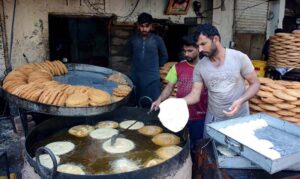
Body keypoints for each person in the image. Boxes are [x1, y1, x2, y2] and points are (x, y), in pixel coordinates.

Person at [183, 23, 260, 128]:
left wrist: (241, 100)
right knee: (212, 144)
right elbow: (195, 95)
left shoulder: (239, 58)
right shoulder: (200, 67)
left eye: (203, 44)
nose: (200, 49)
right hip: (214, 119)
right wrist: (178, 102)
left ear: (215, 39)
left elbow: (255, 84)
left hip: (240, 118)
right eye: (198, 45)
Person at [151, 35, 208, 150]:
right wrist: (159, 100)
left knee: (197, 147)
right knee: (179, 145)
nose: (186, 54)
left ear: (198, 49)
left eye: (190, 51)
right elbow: (169, 87)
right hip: (179, 115)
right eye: (184, 51)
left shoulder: (207, 68)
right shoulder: (178, 67)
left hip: (199, 116)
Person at [128, 12, 168, 105]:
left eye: (147, 26)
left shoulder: (157, 40)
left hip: (152, 78)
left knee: (152, 103)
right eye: (142, 26)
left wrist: (154, 67)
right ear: (138, 26)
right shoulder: (133, 40)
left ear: (151, 26)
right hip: (136, 77)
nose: (144, 29)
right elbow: (129, 54)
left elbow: (164, 56)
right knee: (135, 103)